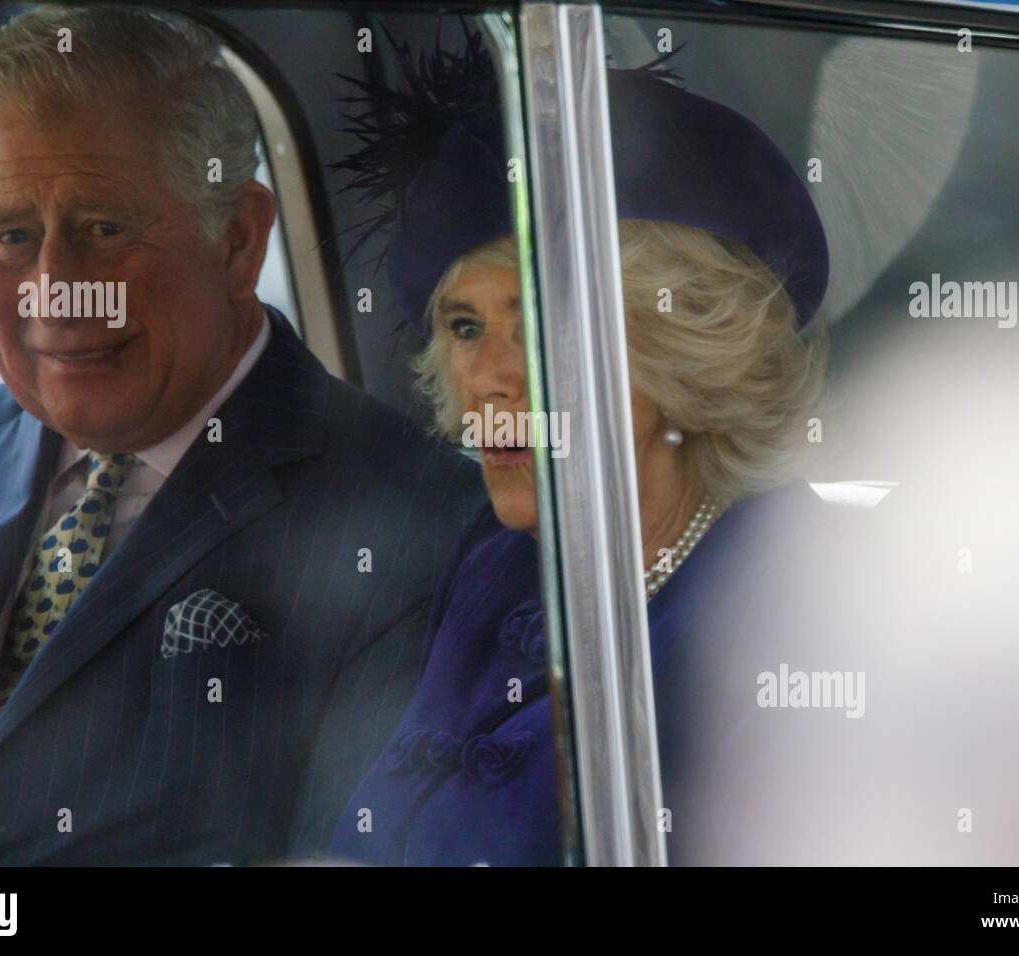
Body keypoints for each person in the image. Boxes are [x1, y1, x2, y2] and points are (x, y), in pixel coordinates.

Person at [0, 7, 485, 865]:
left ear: (236, 240)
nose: (55, 290)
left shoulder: (421, 519)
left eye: (105, 229)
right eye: (10, 237)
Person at [324, 37, 839, 865]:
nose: (487, 377)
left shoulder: (797, 590)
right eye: (464, 327)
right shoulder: (494, 568)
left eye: (537, 323)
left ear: (683, 349)